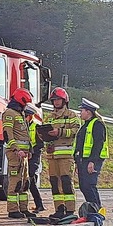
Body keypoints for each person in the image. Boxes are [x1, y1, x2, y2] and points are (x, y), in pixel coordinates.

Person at [42, 87, 81, 218]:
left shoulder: (72, 115)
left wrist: (60, 132)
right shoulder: (49, 117)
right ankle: (59, 209)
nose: (56, 102)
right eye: (54, 100)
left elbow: (76, 131)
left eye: (58, 99)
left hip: (66, 156)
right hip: (52, 156)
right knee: (54, 182)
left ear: (64, 100)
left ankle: (70, 210)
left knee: (66, 181)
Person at [2, 88, 35, 218]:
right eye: (25, 103)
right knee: (15, 182)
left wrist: (30, 150)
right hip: (15, 154)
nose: (25, 106)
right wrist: (16, 149)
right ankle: (13, 210)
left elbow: (25, 134)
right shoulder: (10, 113)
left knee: (24, 182)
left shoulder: (19, 113)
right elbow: (7, 134)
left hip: (24, 154)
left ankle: (23, 208)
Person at [74, 98, 108, 214]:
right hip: (83, 160)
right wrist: (77, 162)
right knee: (84, 186)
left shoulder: (97, 124)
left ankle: (97, 210)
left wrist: (92, 161)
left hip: (92, 160)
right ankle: (92, 209)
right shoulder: (85, 126)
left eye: (82, 111)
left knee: (89, 185)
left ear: (88, 112)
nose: (80, 113)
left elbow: (98, 144)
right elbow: (79, 145)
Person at [23, 104, 46, 214]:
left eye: (27, 115)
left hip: (34, 157)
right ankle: (37, 205)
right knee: (28, 182)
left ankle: (39, 204)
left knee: (30, 179)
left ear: (31, 116)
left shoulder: (36, 127)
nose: (25, 117)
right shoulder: (23, 126)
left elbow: (40, 145)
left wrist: (31, 152)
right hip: (25, 156)